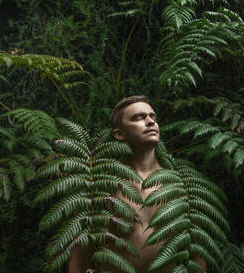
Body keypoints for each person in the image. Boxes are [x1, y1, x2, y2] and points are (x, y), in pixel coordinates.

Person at [69, 95, 196, 272]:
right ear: (119, 134)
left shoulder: (182, 187)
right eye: (139, 117)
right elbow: (82, 254)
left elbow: (197, 250)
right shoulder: (100, 187)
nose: (150, 122)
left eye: (153, 117)